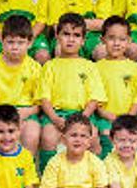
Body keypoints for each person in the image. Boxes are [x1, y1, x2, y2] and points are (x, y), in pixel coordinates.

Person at [37, 13, 107, 171]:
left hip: (82, 114)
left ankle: (97, 180)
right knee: (47, 137)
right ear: (57, 36)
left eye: (76, 35)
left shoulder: (89, 66)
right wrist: (54, 118)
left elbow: (95, 98)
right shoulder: (50, 66)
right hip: (57, 115)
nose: (71, 39)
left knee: (94, 138)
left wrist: (82, 118)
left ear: (83, 40)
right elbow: (44, 98)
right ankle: (48, 181)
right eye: (66, 34)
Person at [0, 17, 44, 152]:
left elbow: (39, 104)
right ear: (2, 41)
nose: (15, 47)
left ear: (29, 43)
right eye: (10, 42)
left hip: (25, 112)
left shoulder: (35, 68)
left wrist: (25, 113)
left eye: (20, 42)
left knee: (32, 134)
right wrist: (1, 115)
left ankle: (26, 168)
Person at [93, 17, 137, 156]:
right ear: (102, 40)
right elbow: (94, 95)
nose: (116, 43)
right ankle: (106, 172)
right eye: (111, 38)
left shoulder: (135, 67)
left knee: (132, 136)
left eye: (122, 39)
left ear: (129, 41)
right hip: (105, 117)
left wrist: (129, 116)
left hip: (129, 117)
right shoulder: (96, 68)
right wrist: (104, 113)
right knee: (106, 134)